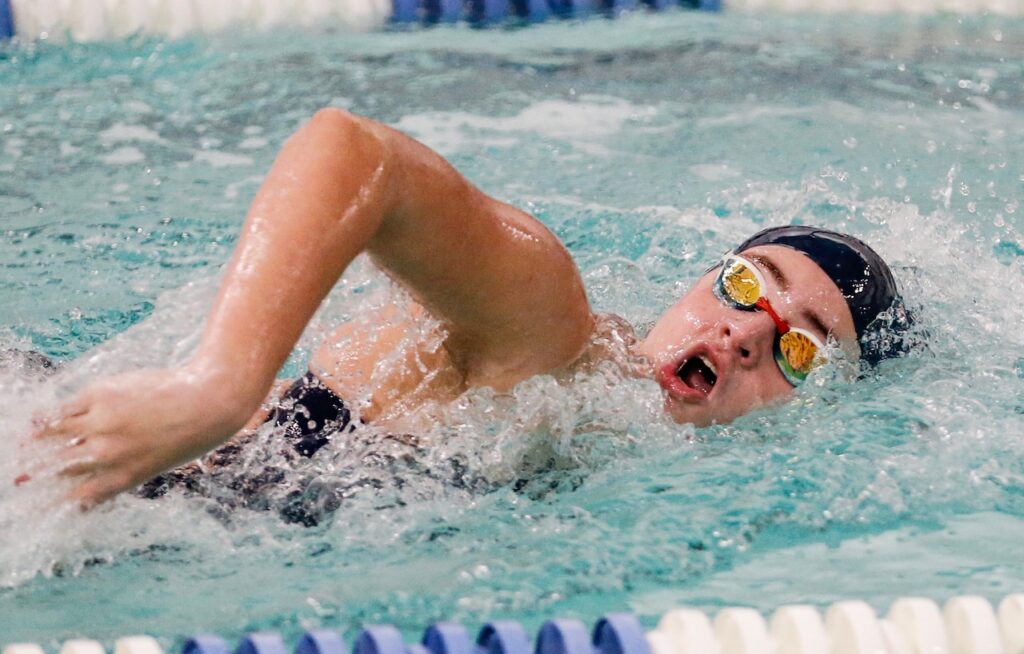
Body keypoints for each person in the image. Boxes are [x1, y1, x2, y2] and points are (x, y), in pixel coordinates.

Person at [28, 108, 911, 509]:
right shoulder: (552, 335)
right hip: (75, 467)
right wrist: (215, 386)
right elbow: (357, 150)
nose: (748, 331)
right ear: (695, 283)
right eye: (747, 285)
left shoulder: (628, 461)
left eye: (805, 348)